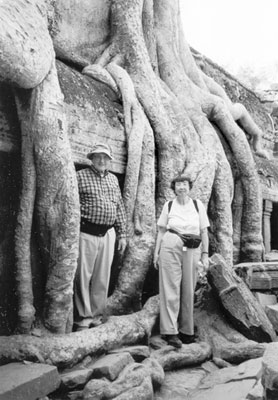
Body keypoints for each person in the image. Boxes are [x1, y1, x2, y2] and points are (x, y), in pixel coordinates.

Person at [74, 143, 127, 331]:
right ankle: (82, 318)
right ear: (91, 158)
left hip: (108, 234)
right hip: (86, 233)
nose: (102, 160)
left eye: (105, 157)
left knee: (102, 277)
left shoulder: (113, 180)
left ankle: (96, 316)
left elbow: (119, 207)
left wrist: (122, 234)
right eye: (98, 157)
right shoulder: (80, 177)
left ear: (110, 161)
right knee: (82, 275)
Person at [154, 175, 209, 348]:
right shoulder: (169, 205)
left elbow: (204, 232)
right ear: (174, 187)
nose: (181, 187)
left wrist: (205, 255)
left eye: (184, 184)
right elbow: (161, 231)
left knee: (188, 287)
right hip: (171, 244)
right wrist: (156, 253)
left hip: (192, 247)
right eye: (178, 184)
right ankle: (170, 331)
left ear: (189, 187)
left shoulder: (197, 205)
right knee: (170, 287)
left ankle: (186, 330)